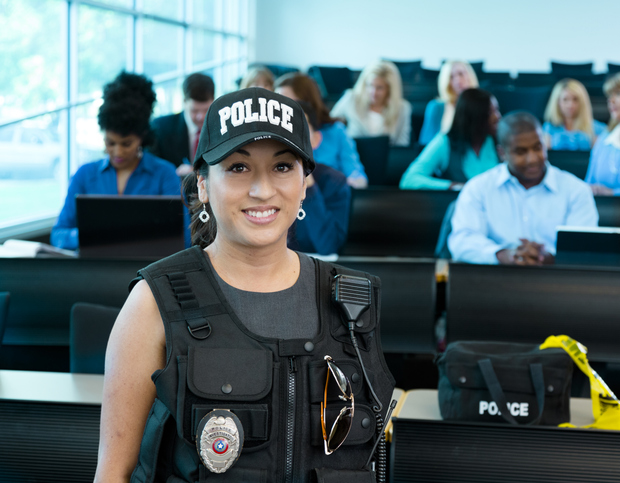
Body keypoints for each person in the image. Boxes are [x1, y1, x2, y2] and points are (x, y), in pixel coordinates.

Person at [95, 88, 395, 483]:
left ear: (306, 182)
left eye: (283, 167)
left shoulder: (354, 301)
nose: (262, 190)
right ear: (202, 184)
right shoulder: (155, 300)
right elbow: (114, 473)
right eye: (238, 167)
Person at [50, 71, 180, 250]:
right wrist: (92, 234)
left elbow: (182, 238)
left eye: (126, 144)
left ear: (142, 138)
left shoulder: (164, 174)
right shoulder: (84, 175)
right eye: (110, 143)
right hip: (93, 270)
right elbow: (58, 235)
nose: (118, 152)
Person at [448, 111, 598, 265]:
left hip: (558, 282)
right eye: (521, 152)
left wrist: (547, 257)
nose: (532, 159)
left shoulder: (576, 190)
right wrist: (503, 255)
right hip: (494, 281)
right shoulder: (478, 188)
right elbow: (461, 241)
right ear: (502, 153)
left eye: (537, 148)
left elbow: (583, 248)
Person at [276, 72, 368, 188]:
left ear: (307, 104)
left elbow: (356, 174)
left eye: (288, 103)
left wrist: (343, 186)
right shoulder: (274, 135)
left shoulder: (336, 131)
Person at [399, 88, 501, 190]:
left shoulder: (498, 142)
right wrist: (452, 186)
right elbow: (409, 180)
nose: (498, 117)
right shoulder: (444, 142)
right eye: (491, 112)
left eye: (497, 110)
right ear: (476, 116)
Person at [289, 102, 351, 255]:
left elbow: (328, 247)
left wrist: (308, 186)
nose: (290, 137)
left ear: (316, 139)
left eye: (299, 128)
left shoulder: (335, 183)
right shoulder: (260, 185)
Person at [330, 60, 412, 146]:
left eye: (380, 88)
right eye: (370, 85)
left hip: (384, 159)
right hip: (352, 156)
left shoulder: (402, 108)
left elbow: (402, 146)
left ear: (390, 90)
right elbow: (329, 125)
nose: (373, 92)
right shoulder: (351, 98)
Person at [149, 72, 215, 177]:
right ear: (184, 101)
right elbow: (152, 169)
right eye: (194, 110)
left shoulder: (222, 127)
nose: (201, 116)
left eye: (206, 110)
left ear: (213, 101)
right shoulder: (160, 128)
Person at [418, 60, 479, 145]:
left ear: (470, 77)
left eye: (461, 74)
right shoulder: (436, 107)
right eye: (451, 77)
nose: (458, 80)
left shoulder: (480, 106)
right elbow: (425, 143)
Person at [542, 78, 607, 151]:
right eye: (565, 99)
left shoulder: (598, 129)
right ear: (557, 102)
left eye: (575, 99)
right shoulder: (548, 128)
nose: (570, 105)